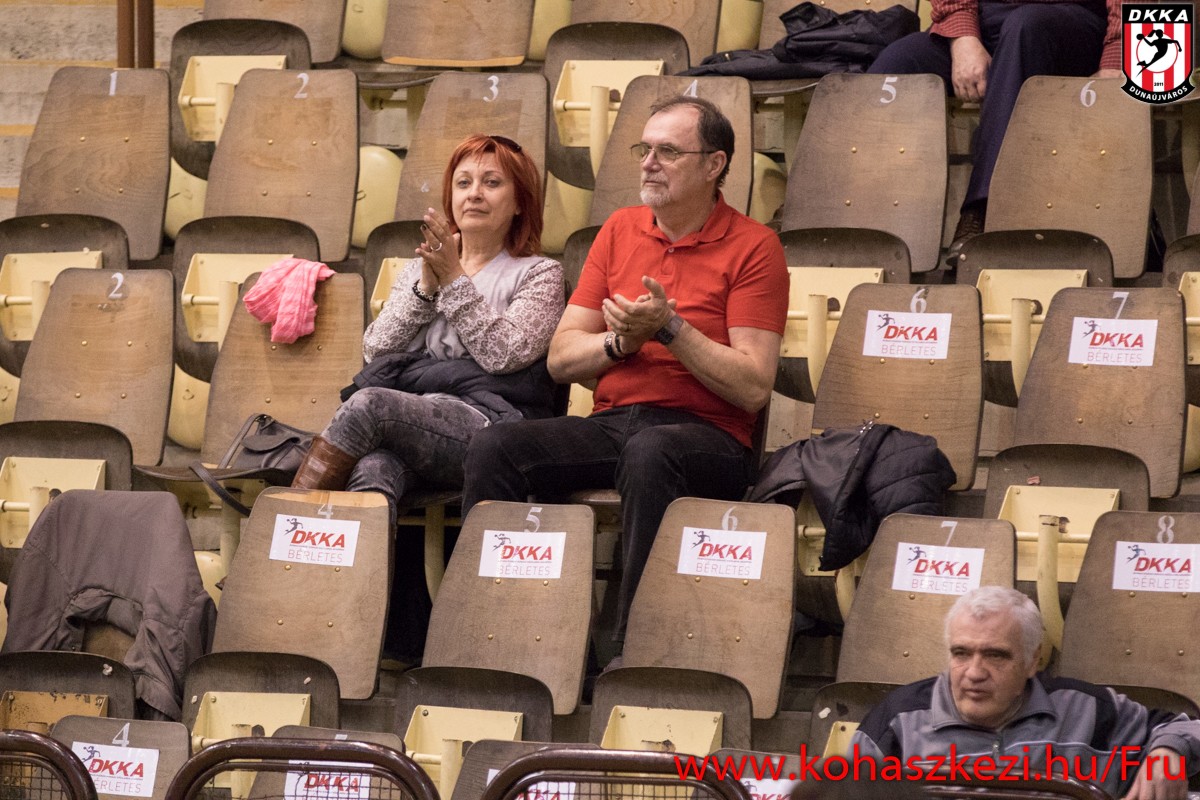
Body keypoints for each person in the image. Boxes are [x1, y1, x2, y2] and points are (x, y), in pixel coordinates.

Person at [460, 96, 789, 658]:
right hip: (614, 423)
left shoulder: (756, 246)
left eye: (668, 151)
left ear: (714, 165)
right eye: (645, 149)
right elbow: (562, 358)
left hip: (708, 436)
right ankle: (499, 636)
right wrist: (621, 343)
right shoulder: (619, 228)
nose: (648, 163)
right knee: (496, 447)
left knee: (652, 451)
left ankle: (631, 651)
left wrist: (670, 329)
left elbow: (754, 385)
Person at [289, 133, 565, 658]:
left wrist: (455, 279)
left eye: (491, 182)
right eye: (463, 183)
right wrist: (426, 287)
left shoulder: (540, 274)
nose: (474, 193)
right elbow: (377, 350)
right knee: (374, 471)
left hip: (489, 427)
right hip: (413, 423)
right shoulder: (419, 271)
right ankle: (358, 636)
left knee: (369, 405)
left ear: (519, 201)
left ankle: (287, 550)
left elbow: (504, 354)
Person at [852, 586, 1200, 799]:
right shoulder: (898, 721)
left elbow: (1186, 728)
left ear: (1033, 660)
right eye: (961, 653)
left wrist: (1168, 752)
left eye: (996, 655)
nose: (974, 673)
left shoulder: (1090, 710)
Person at [867, 0, 1122, 260]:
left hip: (1069, 24)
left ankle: (984, 214)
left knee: (1025, 25)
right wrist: (963, 37)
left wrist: (1118, 53)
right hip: (985, 23)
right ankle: (871, 231)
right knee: (899, 62)